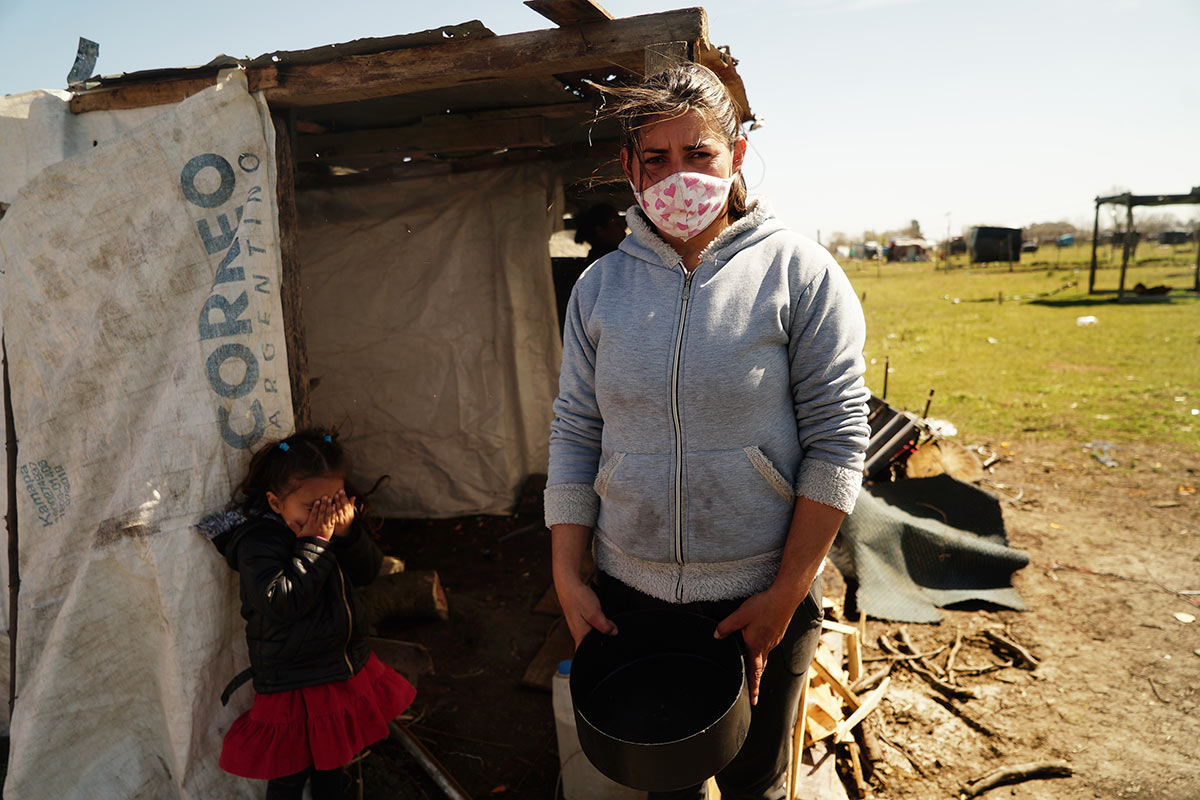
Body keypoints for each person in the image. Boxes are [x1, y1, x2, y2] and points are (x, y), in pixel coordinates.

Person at [545, 63, 870, 800]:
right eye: (654, 159)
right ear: (627, 167)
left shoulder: (800, 274)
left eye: (699, 154)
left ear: (737, 157)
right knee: (669, 783)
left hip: (760, 592)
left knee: (755, 782)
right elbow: (575, 428)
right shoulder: (599, 289)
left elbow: (840, 441)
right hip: (635, 594)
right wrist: (567, 570)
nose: (678, 177)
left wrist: (787, 593)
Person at [199, 429, 416, 800]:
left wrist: (348, 534)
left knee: (332, 765)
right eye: (310, 507)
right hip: (293, 681)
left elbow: (367, 572)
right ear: (275, 502)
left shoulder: (333, 528)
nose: (324, 517)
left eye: (332, 502)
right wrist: (314, 545)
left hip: (338, 671)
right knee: (289, 775)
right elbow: (280, 603)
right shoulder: (258, 542)